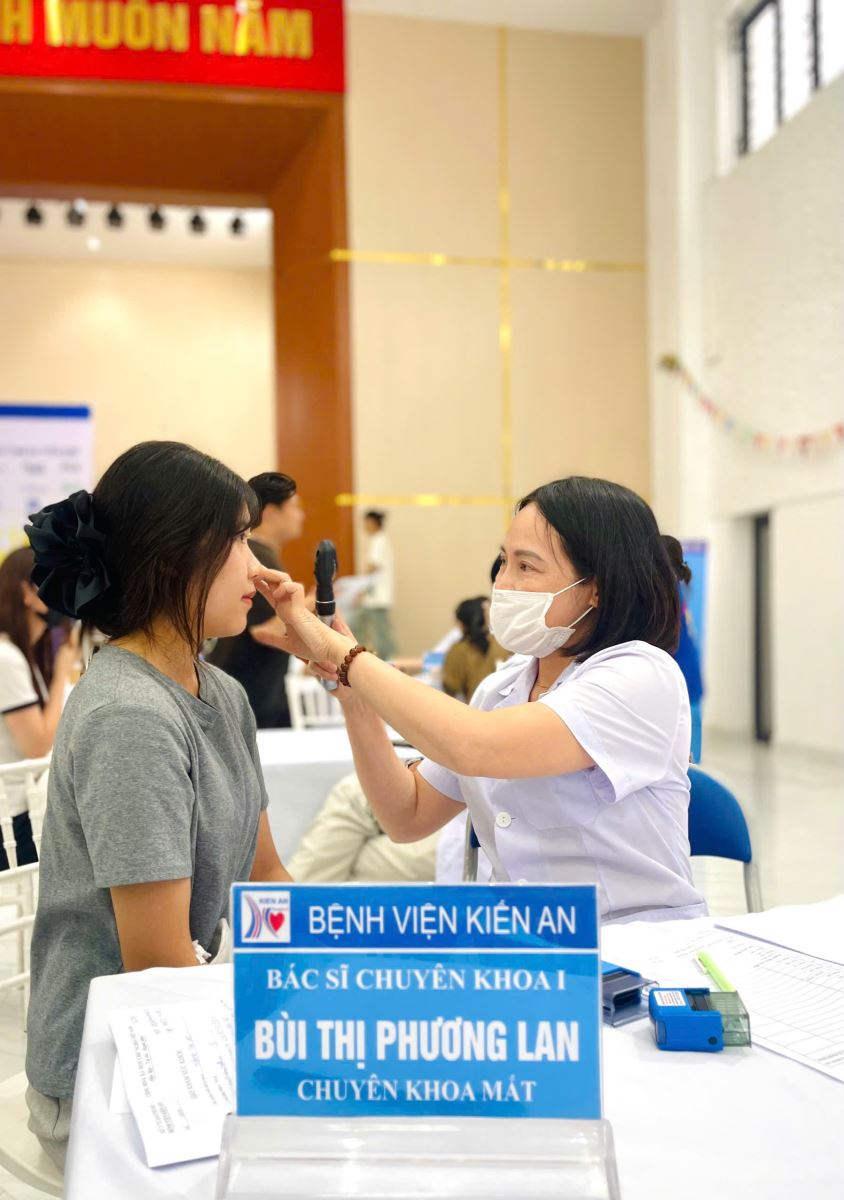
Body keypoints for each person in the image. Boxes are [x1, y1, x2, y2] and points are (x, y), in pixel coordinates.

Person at [260, 476, 706, 924]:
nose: (503, 583)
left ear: (597, 588)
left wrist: (345, 655)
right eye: (503, 561)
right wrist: (355, 700)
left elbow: (475, 746)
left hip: (634, 942)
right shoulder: (503, 688)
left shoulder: (640, 675)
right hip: (529, 943)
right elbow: (406, 815)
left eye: (526, 567)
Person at [23, 441, 291, 1171]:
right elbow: (156, 963)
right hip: (110, 1075)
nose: (258, 567)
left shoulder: (221, 692)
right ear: (176, 556)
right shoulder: (130, 714)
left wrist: (315, 981)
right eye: (237, 540)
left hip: (185, 1028)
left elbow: (267, 878)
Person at [0, 547, 78, 869]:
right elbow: (37, 744)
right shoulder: (7, 658)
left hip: (26, 808)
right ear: (26, 593)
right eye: (52, 584)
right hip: (14, 817)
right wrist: (62, 671)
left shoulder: (24, 655)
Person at [207, 471, 305, 727]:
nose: (301, 515)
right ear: (271, 512)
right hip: (253, 688)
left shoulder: (261, 554)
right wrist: (309, 605)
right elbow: (266, 631)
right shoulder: (258, 559)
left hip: (255, 686)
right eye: (295, 507)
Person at [662, 535, 704, 763]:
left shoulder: (666, 592)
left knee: (686, 763)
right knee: (691, 759)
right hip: (689, 682)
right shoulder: (678, 587)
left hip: (680, 683)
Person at [351, 510, 396, 659]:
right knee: (355, 624)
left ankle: (386, 660)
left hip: (377, 597)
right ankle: (364, 654)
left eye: (366, 522)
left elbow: (372, 567)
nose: (365, 526)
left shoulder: (379, 540)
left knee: (381, 633)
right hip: (374, 597)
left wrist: (359, 588)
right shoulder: (380, 540)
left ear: (373, 523)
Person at [442, 597, 506, 700]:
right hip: (512, 705)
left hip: (474, 707)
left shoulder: (458, 651)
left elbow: (450, 688)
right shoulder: (505, 643)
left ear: (462, 624)